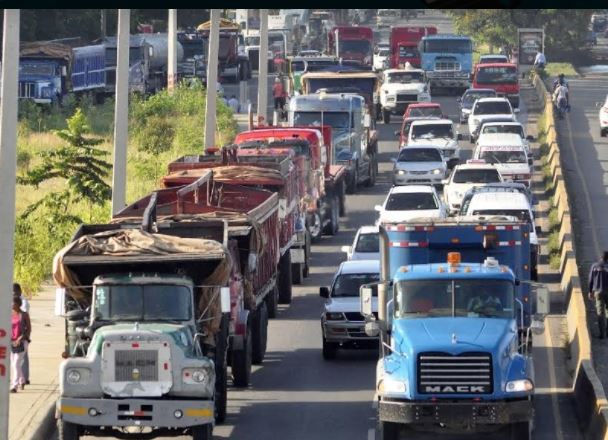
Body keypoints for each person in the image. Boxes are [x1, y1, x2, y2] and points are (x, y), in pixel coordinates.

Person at [10, 296, 31, 392]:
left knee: (16, 363)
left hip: (22, 342)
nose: (11, 304)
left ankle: (14, 385)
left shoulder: (24, 315)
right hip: (11, 342)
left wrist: (21, 338)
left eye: (13, 303)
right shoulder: (9, 314)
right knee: (14, 364)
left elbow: (29, 329)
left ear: (18, 304)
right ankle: (22, 380)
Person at [13, 283, 30, 385]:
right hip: (13, 336)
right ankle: (21, 379)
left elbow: (22, 313)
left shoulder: (23, 303)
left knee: (21, 359)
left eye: (15, 291)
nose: (13, 293)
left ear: (19, 292)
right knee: (14, 361)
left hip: (22, 335)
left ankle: (22, 379)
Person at [588, 251, 608, 338]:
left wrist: (590, 291)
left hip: (598, 292)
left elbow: (590, 280)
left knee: (600, 313)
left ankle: (602, 334)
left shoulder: (594, 266)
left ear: (600, 257)